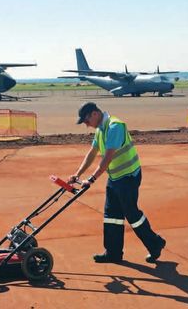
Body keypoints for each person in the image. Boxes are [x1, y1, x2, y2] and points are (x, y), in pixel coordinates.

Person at [68, 102, 166, 263]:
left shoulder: (115, 126)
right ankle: (113, 252)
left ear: (94, 114)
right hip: (115, 177)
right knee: (111, 215)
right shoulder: (100, 129)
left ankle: (155, 243)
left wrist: (91, 179)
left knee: (131, 214)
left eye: (86, 121)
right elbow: (92, 153)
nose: (86, 125)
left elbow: (108, 157)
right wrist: (77, 174)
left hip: (128, 176)